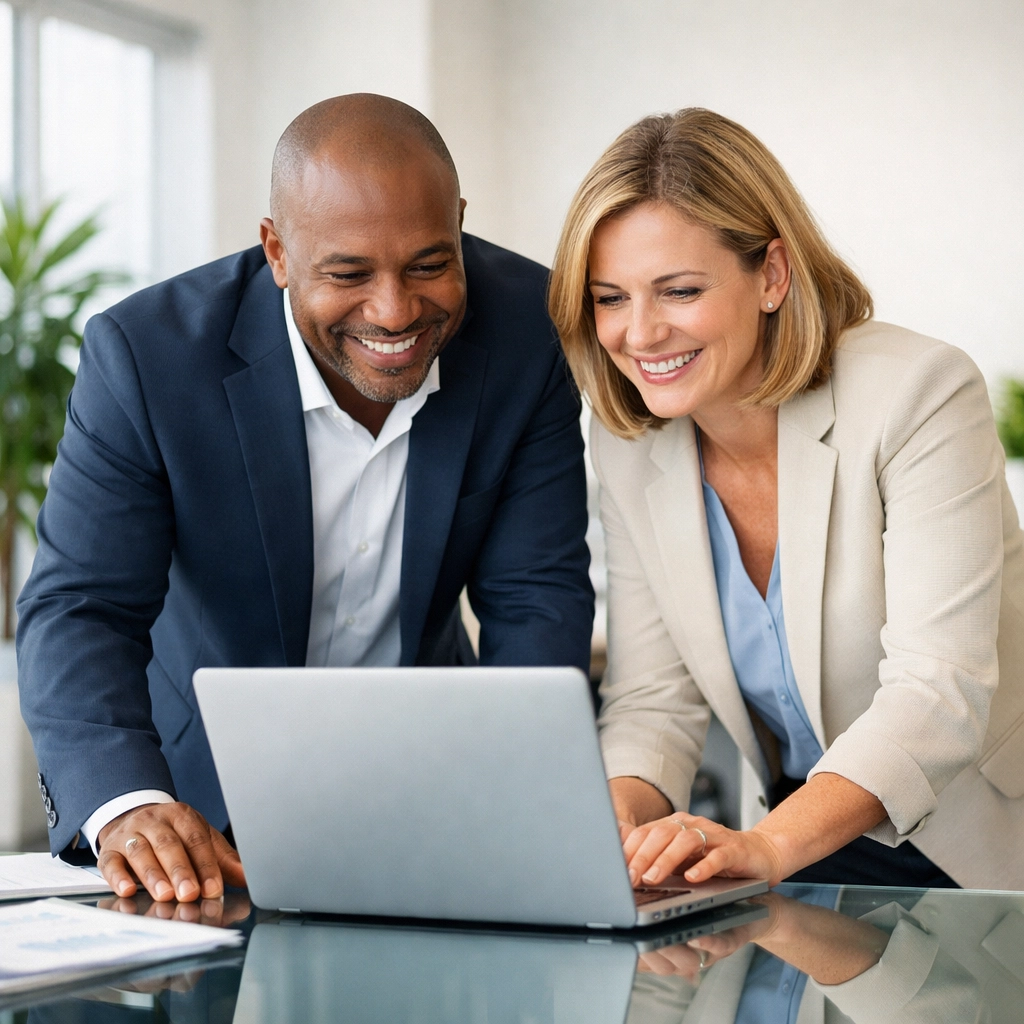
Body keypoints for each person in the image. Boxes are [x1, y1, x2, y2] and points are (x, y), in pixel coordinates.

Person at [17, 94, 593, 903]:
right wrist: (128, 805)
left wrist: (520, 804)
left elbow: (535, 597)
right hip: (195, 815)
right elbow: (82, 607)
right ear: (277, 251)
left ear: (459, 224)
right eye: (348, 273)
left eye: (430, 263)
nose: (394, 312)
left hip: (435, 798)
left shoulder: (530, 331)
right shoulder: (146, 359)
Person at [548, 107, 1024, 890]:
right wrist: (617, 821)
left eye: (678, 290)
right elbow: (652, 699)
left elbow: (938, 692)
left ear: (771, 275)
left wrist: (765, 847)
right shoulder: (630, 446)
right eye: (609, 298)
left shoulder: (919, 393)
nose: (639, 334)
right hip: (809, 855)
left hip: (979, 855)